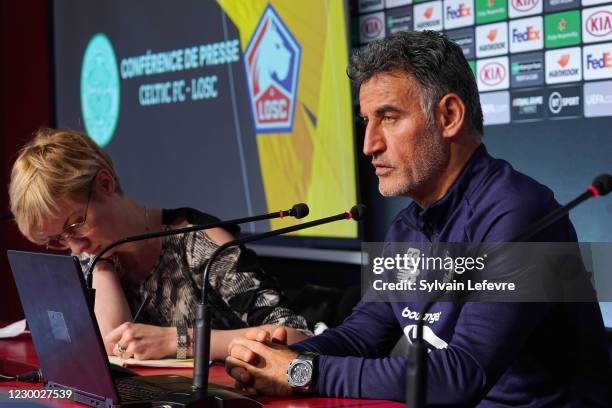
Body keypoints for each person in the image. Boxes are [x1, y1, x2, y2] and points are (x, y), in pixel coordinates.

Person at [224, 31, 612, 406]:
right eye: (366, 121)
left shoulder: (519, 214)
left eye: (389, 118)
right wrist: (269, 360)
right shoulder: (407, 227)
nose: (368, 145)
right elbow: (362, 336)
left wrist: (301, 372)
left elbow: (463, 374)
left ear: (449, 116)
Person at [8, 128, 310, 361]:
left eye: (75, 224)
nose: (75, 247)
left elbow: (298, 337)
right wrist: (102, 267)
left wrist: (177, 341)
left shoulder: (196, 242)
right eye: (59, 239)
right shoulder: (93, 255)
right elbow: (115, 351)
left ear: (105, 184)